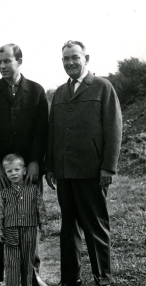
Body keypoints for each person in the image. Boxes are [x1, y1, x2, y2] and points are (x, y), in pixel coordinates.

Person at [45, 40, 122, 286]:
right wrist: (51, 166)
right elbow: (52, 133)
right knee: (68, 228)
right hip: (65, 172)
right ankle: (70, 279)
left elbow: (114, 129)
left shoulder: (102, 87)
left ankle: (103, 279)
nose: (70, 63)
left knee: (95, 227)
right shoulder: (59, 92)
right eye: (65, 59)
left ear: (86, 58)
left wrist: (108, 167)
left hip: (92, 172)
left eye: (74, 58)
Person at [0, 43, 48, 286]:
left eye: (7, 61)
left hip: (29, 172)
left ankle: (32, 275)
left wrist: (36, 163)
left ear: (19, 61)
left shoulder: (37, 92)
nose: (2, 66)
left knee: (29, 223)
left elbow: (42, 132)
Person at [0, 153, 48, 286]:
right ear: (5, 173)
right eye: (9, 171)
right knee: (11, 264)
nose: (13, 173)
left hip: (29, 231)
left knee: (27, 263)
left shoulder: (33, 190)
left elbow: (41, 209)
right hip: (10, 231)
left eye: (17, 170)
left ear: (24, 171)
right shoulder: (4, 192)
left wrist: (44, 226)